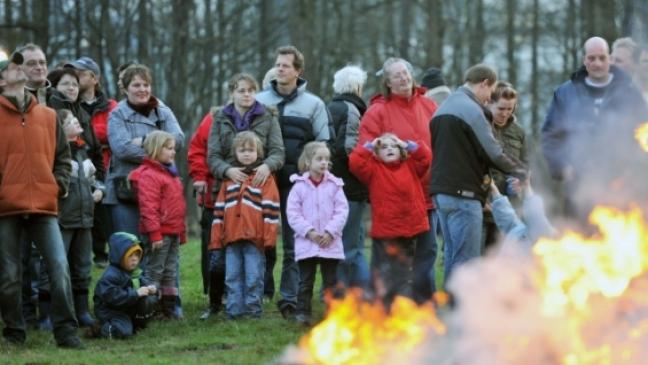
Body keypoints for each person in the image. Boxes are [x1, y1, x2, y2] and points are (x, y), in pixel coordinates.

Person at [0, 51, 82, 348]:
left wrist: (57, 186)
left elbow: (63, 157)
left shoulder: (48, 117)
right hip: (6, 209)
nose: (19, 67)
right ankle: (14, 332)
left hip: (45, 207)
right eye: (11, 66)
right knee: (9, 276)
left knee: (59, 268)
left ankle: (66, 332)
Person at [430, 63, 526, 286]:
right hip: (463, 195)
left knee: (454, 258)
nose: (488, 100)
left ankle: (453, 314)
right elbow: (493, 152)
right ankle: (464, 318)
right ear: (484, 84)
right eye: (490, 93)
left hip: (441, 194)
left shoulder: (442, 108)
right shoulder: (471, 109)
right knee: (468, 265)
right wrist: (521, 171)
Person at [256, 45, 330, 318]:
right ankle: (253, 298)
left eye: (286, 65)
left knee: (293, 242)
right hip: (261, 181)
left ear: (298, 70)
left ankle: (290, 300)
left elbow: (322, 143)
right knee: (255, 240)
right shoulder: (259, 100)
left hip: (296, 185)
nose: (280, 69)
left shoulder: (314, 104)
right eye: (278, 64)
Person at [203, 73, 284, 318]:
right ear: (232, 93)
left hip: (259, 186)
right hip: (228, 187)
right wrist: (227, 170)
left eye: (251, 90)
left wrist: (266, 166)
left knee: (256, 256)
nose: (246, 94)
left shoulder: (268, 116)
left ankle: (255, 303)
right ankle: (219, 304)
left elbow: (278, 151)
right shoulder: (220, 117)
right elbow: (213, 155)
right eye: (241, 90)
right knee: (221, 259)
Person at [358, 57, 438, 304]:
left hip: (428, 194)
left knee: (428, 251)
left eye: (405, 73)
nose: (403, 78)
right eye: (396, 75)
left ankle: (424, 304)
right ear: (387, 82)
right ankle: (384, 306)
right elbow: (365, 154)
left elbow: (441, 145)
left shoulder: (429, 106)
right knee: (391, 258)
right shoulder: (377, 112)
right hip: (394, 200)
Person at [542, 36, 648, 223]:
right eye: (591, 58)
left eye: (602, 57)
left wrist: (633, 170)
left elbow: (643, 133)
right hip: (578, 188)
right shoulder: (565, 93)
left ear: (609, 59)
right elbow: (551, 136)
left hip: (620, 187)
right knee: (578, 242)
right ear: (584, 60)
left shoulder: (630, 93)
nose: (597, 63)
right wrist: (562, 167)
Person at [37, 109, 104, 329]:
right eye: (73, 121)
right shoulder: (52, 153)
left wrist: (98, 190)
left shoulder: (83, 151)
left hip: (85, 220)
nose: (79, 124)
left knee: (83, 267)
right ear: (59, 127)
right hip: (62, 220)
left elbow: (93, 179)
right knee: (54, 267)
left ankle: (82, 312)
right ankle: (47, 316)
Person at [350, 134, 431, 307]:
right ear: (377, 153)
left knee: (405, 269)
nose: (389, 149)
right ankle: (383, 305)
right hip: (386, 230)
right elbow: (355, 162)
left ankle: (402, 304)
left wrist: (406, 143)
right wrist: (370, 145)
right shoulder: (373, 168)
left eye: (393, 146)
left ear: (401, 151)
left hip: (410, 228)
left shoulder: (411, 165)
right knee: (385, 270)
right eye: (384, 147)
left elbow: (426, 157)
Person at [105, 64, 184, 237]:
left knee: (160, 250)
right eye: (136, 85)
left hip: (160, 190)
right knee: (129, 249)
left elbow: (178, 139)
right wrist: (161, 150)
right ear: (125, 89)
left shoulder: (163, 111)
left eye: (146, 85)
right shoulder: (117, 114)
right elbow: (122, 149)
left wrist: (144, 141)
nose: (142, 89)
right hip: (125, 192)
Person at [209, 131, 280, 319]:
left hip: (255, 240)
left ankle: (253, 311)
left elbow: (272, 210)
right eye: (242, 150)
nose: (247, 154)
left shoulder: (265, 179)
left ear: (259, 152)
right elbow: (218, 213)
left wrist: (268, 237)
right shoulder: (229, 180)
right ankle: (234, 311)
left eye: (251, 150)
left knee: (253, 276)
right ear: (235, 153)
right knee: (232, 276)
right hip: (231, 239)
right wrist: (216, 240)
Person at [287, 142, 348, 325]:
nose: (324, 163)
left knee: (331, 280)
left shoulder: (335, 185)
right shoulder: (298, 187)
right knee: (305, 280)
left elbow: (342, 211)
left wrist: (330, 232)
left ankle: (332, 312)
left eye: (327, 159)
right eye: (319, 159)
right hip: (308, 242)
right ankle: (302, 312)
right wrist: (309, 232)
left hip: (331, 241)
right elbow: (293, 213)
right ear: (307, 161)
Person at [65, 56, 118, 268]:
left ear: (94, 78)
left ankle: (105, 255)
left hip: (103, 166)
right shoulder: (69, 105)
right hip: (74, 166)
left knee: (103, 212)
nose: (74, 78)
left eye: (80, 73)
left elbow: (114, 136)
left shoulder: (111, 106)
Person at [129, 131, 186, 319]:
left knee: (170, 270)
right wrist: (154, 234)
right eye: (168, 148)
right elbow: (148, 207)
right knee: (155, 271)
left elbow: (178, 206)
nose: (172, 153)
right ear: (155, 149)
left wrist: (181, 231)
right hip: (159, 234)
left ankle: (168, 309)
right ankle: (150, 308)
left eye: (174, 149)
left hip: (172, 232)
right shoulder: (149, 175)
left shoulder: (172, 174)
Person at [327, 65, 370, 290]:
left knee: (347, 242)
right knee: (351, 245)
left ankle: (353, 292)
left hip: (333, 187)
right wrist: (367, 176)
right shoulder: (351, 110)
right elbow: (348, 150)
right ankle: (348, 295)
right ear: (357, 87)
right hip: (349, 187)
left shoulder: (330, 107)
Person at [482, 82, 528, 253]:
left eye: (510, 109)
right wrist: (483, 199)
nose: (505, 113)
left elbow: (525, 165)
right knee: (479, 259)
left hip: (510, 210)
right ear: (489, 103)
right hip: (485, 206)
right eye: (501, 108)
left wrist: (522, 182)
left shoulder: (518, 131)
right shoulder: (481, 127)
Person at [91, 232, 157, 339]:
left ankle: (136, 324)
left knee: (149, 300)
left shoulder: (135, 271)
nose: (134, 259)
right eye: (130, 255)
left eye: (137, 254)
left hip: (126, 306)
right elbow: (113, 297)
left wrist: (152, 288)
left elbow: (144, 280)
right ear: (119, 256)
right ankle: (100, 328)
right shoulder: (111, 275)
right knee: (123, 331)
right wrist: (135, 293)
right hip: (111, 310)